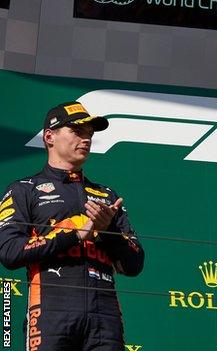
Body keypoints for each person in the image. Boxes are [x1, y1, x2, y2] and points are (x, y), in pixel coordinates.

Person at [0, 101, 145, 351]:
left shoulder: (107, 196)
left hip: (106, 317)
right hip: (50, 312)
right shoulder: (24, 189)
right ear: (49, 137)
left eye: (89, 134)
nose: (86, 139)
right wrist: (74, 234)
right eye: (77, 132)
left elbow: (134, 264)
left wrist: (108, 232)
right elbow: (10, 252)